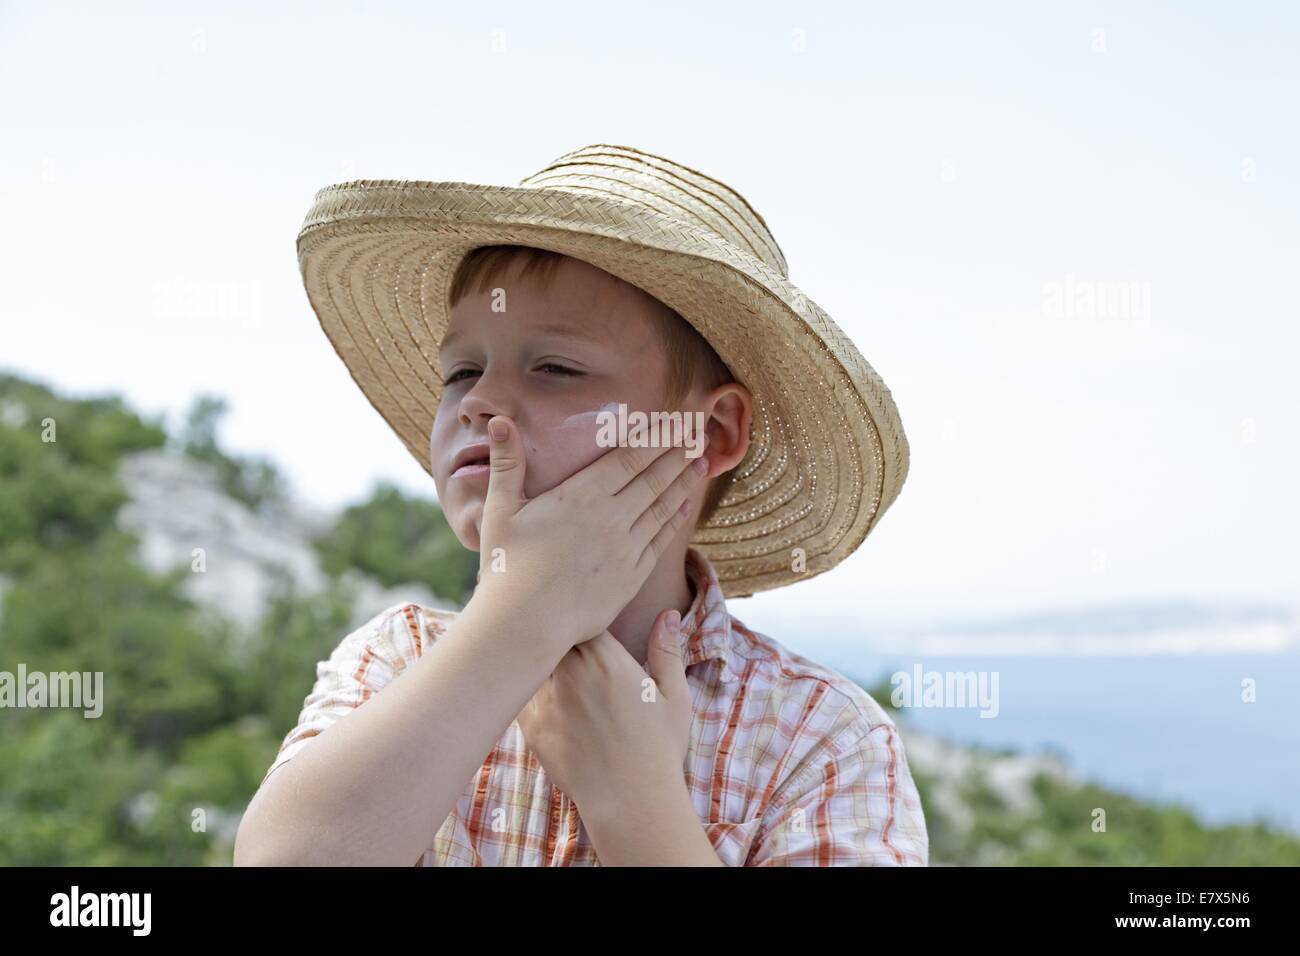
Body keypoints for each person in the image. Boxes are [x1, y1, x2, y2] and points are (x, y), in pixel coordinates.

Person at [234, 144, 927, 866]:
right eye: (461, 369)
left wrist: (635, 805)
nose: (478, 400)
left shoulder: (821, 736)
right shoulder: (396, 658)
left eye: (556, 368)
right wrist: (524, 617)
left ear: (709, 433)